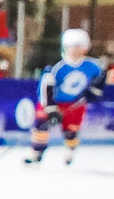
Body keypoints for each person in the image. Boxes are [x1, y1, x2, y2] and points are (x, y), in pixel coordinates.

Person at [25, 27, 103, 165]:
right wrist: (50, 108)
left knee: (70, 131)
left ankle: (70, 151)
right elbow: (46, 87)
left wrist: (94, 92)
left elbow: (100, 80)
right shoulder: (57, 67)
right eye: (72, 46)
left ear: (85, 48)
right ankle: (36, 153)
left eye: (79, 46)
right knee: (41, 125)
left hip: (75, 104)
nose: (75, 50)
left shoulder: (93, 65)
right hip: (52, 102)